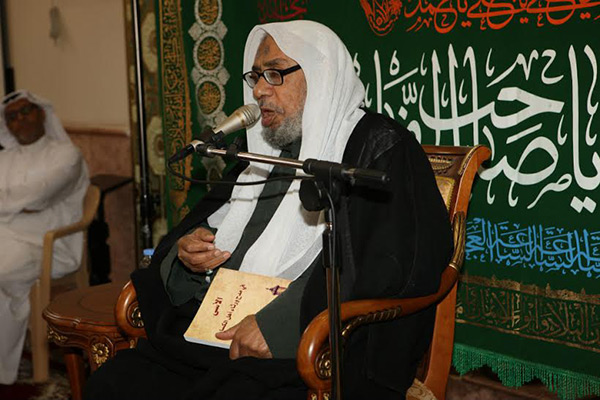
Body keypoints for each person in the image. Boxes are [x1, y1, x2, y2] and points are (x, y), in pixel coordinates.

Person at [84, 20, 452, 400]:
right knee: (114, 382)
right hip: (216, 341)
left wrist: (278, 325)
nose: (259, 90)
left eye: (275, 74)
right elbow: (213, 228)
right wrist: (189, 257)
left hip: (311, 353)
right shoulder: (261, 155)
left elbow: (389, 265)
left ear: (321, 74)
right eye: (256, 76)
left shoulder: (378, 148)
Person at [0, 90, 89, 384]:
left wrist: (15, 200)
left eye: (25, 111)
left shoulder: (66, 155)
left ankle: (8, 366)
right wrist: (17, 202)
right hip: (7, 235)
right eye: (11, 117)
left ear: (41, 113)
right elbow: (24, 200)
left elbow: (38, 197)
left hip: (49, 244)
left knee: (4, 271)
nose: (20, 120)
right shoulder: (5, 159)